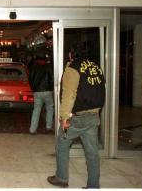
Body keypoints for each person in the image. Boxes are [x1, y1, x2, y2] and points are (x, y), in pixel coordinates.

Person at [47, 42, 105, 189]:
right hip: (93, 115)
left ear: (71, 54)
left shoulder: (73, 69)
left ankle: (61, 178)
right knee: (92, 153)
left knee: (62, 144)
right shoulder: (96, 67)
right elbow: (99, 90)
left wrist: (64, 117)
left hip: (76, 117)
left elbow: (69, 95)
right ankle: (93, 185)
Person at [28, 54, 54, 134]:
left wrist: (33, 89)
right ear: (45, 60)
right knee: (50, 108)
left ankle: (32, 129)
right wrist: (51, 88)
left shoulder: (33, 67)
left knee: (36, 109)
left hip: (37, 92)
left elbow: (30, 79)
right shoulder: (49, 67)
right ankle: (48, 126)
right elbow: (52, 78)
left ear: (37, 60)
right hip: (47, 91)